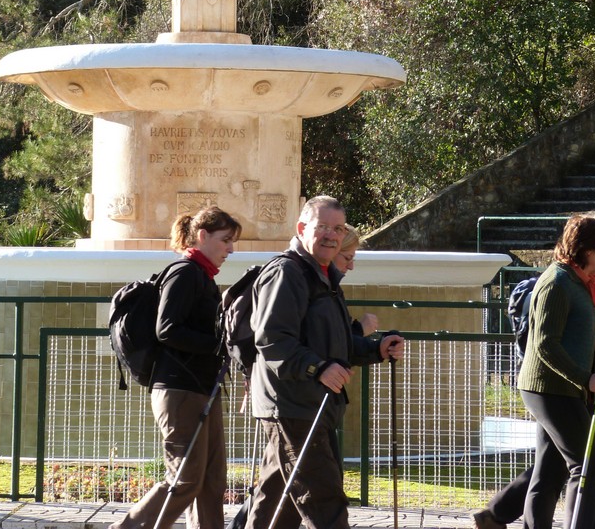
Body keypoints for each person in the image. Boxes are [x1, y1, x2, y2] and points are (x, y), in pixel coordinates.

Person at [246, 195, 404, 529]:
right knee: (324, 500)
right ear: (302, 228)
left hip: (311, 405)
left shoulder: (324, 276)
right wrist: (317, 368)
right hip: (294, 405)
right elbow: (272, 339)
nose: (331, 235)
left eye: (338, 228)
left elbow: (336, 345)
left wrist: (376, 350)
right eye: (323, 227)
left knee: (278, 504)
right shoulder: (287, 272)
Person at [472, 272, 595, 529]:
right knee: (585, 466)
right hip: (563, 388)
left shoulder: (590, 285)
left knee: (555, 466)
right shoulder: (568, 284)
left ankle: (496, 514)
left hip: (572, 388)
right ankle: (498, 513)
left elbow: (583, 345)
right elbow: (564, 344)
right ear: (588, 251)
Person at [110, 205, 242, 529]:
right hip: (180, 390)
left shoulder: (202, 277)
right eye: (225, 240)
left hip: (200, 388)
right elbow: (167, 329)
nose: (230, 249)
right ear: (203, 235)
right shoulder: (185, 273)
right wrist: (218, 344)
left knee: (211, 481)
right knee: (184, 478)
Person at [509, 214, 595, 529]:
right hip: (550, 389)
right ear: (588, 249)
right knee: (589, 467)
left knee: (550, 472)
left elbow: (577, 346)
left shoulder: (578, 283)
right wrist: (585, 378)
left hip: (562, 387)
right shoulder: (557, 283)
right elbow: (545, 345)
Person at [334, 224, 378, 337]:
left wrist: (380, 345)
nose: (351, 267)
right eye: (347, 258)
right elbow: (330, 342)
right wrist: (360, 330)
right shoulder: (316, 290)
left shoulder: (333, 290)